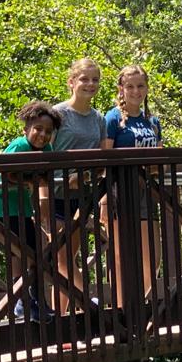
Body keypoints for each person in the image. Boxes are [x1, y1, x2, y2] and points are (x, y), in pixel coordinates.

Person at [0, 101, 62, 321]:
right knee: (30, 252)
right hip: (2, 208)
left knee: (29, 252)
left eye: (48, 131)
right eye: (38, 129)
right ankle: (28, 301)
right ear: (26, 129)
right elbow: (4, 175)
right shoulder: (19, 146)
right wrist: (30, 180)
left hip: (22, 208)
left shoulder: (46, 149)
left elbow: (46, 175)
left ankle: (29, 302)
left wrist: (35, 182)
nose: (43, 135)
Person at [48, 58, 108, 313]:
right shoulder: (57, 114)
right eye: (84, 79)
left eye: (95, 80)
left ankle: (59, 319)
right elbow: (42, 151)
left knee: (67, 259)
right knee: (61, 258)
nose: (90, 84)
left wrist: (86, 176)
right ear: (71, 82)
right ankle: (89, 306)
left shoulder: (99, 119)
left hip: (82, 197)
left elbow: (104, 160)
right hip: (55, 194)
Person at [103, 64, 162, 311]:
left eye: (140, 86)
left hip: (146, 191)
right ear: (121, 89)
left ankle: (139, 306)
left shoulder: (152, 121)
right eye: (130, 86)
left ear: (147, 88)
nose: (136, 91)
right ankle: (121, 310)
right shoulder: (112, 118)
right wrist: (104, 196)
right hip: (119, 190)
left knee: (152, 256)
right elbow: (104, 158)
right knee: (120, 256)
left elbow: (159, 157)